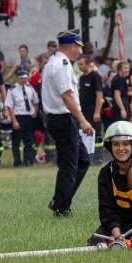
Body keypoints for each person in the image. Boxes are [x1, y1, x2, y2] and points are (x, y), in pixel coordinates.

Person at [43, 29, 94, 216]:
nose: (79, 51)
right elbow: (66, 95)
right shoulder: (62, 64)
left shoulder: (52, 62)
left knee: (82, 160)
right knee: (69, 165)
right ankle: (60, 208)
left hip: (61, 119)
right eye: (78, 47)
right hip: (63, 119)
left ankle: (60, 199)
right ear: (72, 46)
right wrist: (83, 120)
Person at [5, 69, 40, 167]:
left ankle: (27, 161)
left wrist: (35, 112)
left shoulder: (30, 88)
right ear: (17, 78)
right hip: (18, 117)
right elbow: (10, 106)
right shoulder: (12, 90)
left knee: (29, 141)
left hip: (28, 117)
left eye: (25, 78)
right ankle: (17, 161)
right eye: (21, 78)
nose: (23, 80)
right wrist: (14, 121)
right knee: (16, 141)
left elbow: (36, 101)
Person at [77, 55, 104, 164]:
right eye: (78, 64)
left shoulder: (95, 76)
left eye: (81, 64)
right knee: (86, 133)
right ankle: (88, 156)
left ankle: (98, 157)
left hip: (93, 109)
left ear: (88, 64)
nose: (79, 66)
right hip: (84, 110)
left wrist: (97, 112)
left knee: (96, 133)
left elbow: (99, 95)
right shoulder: (82, 78)